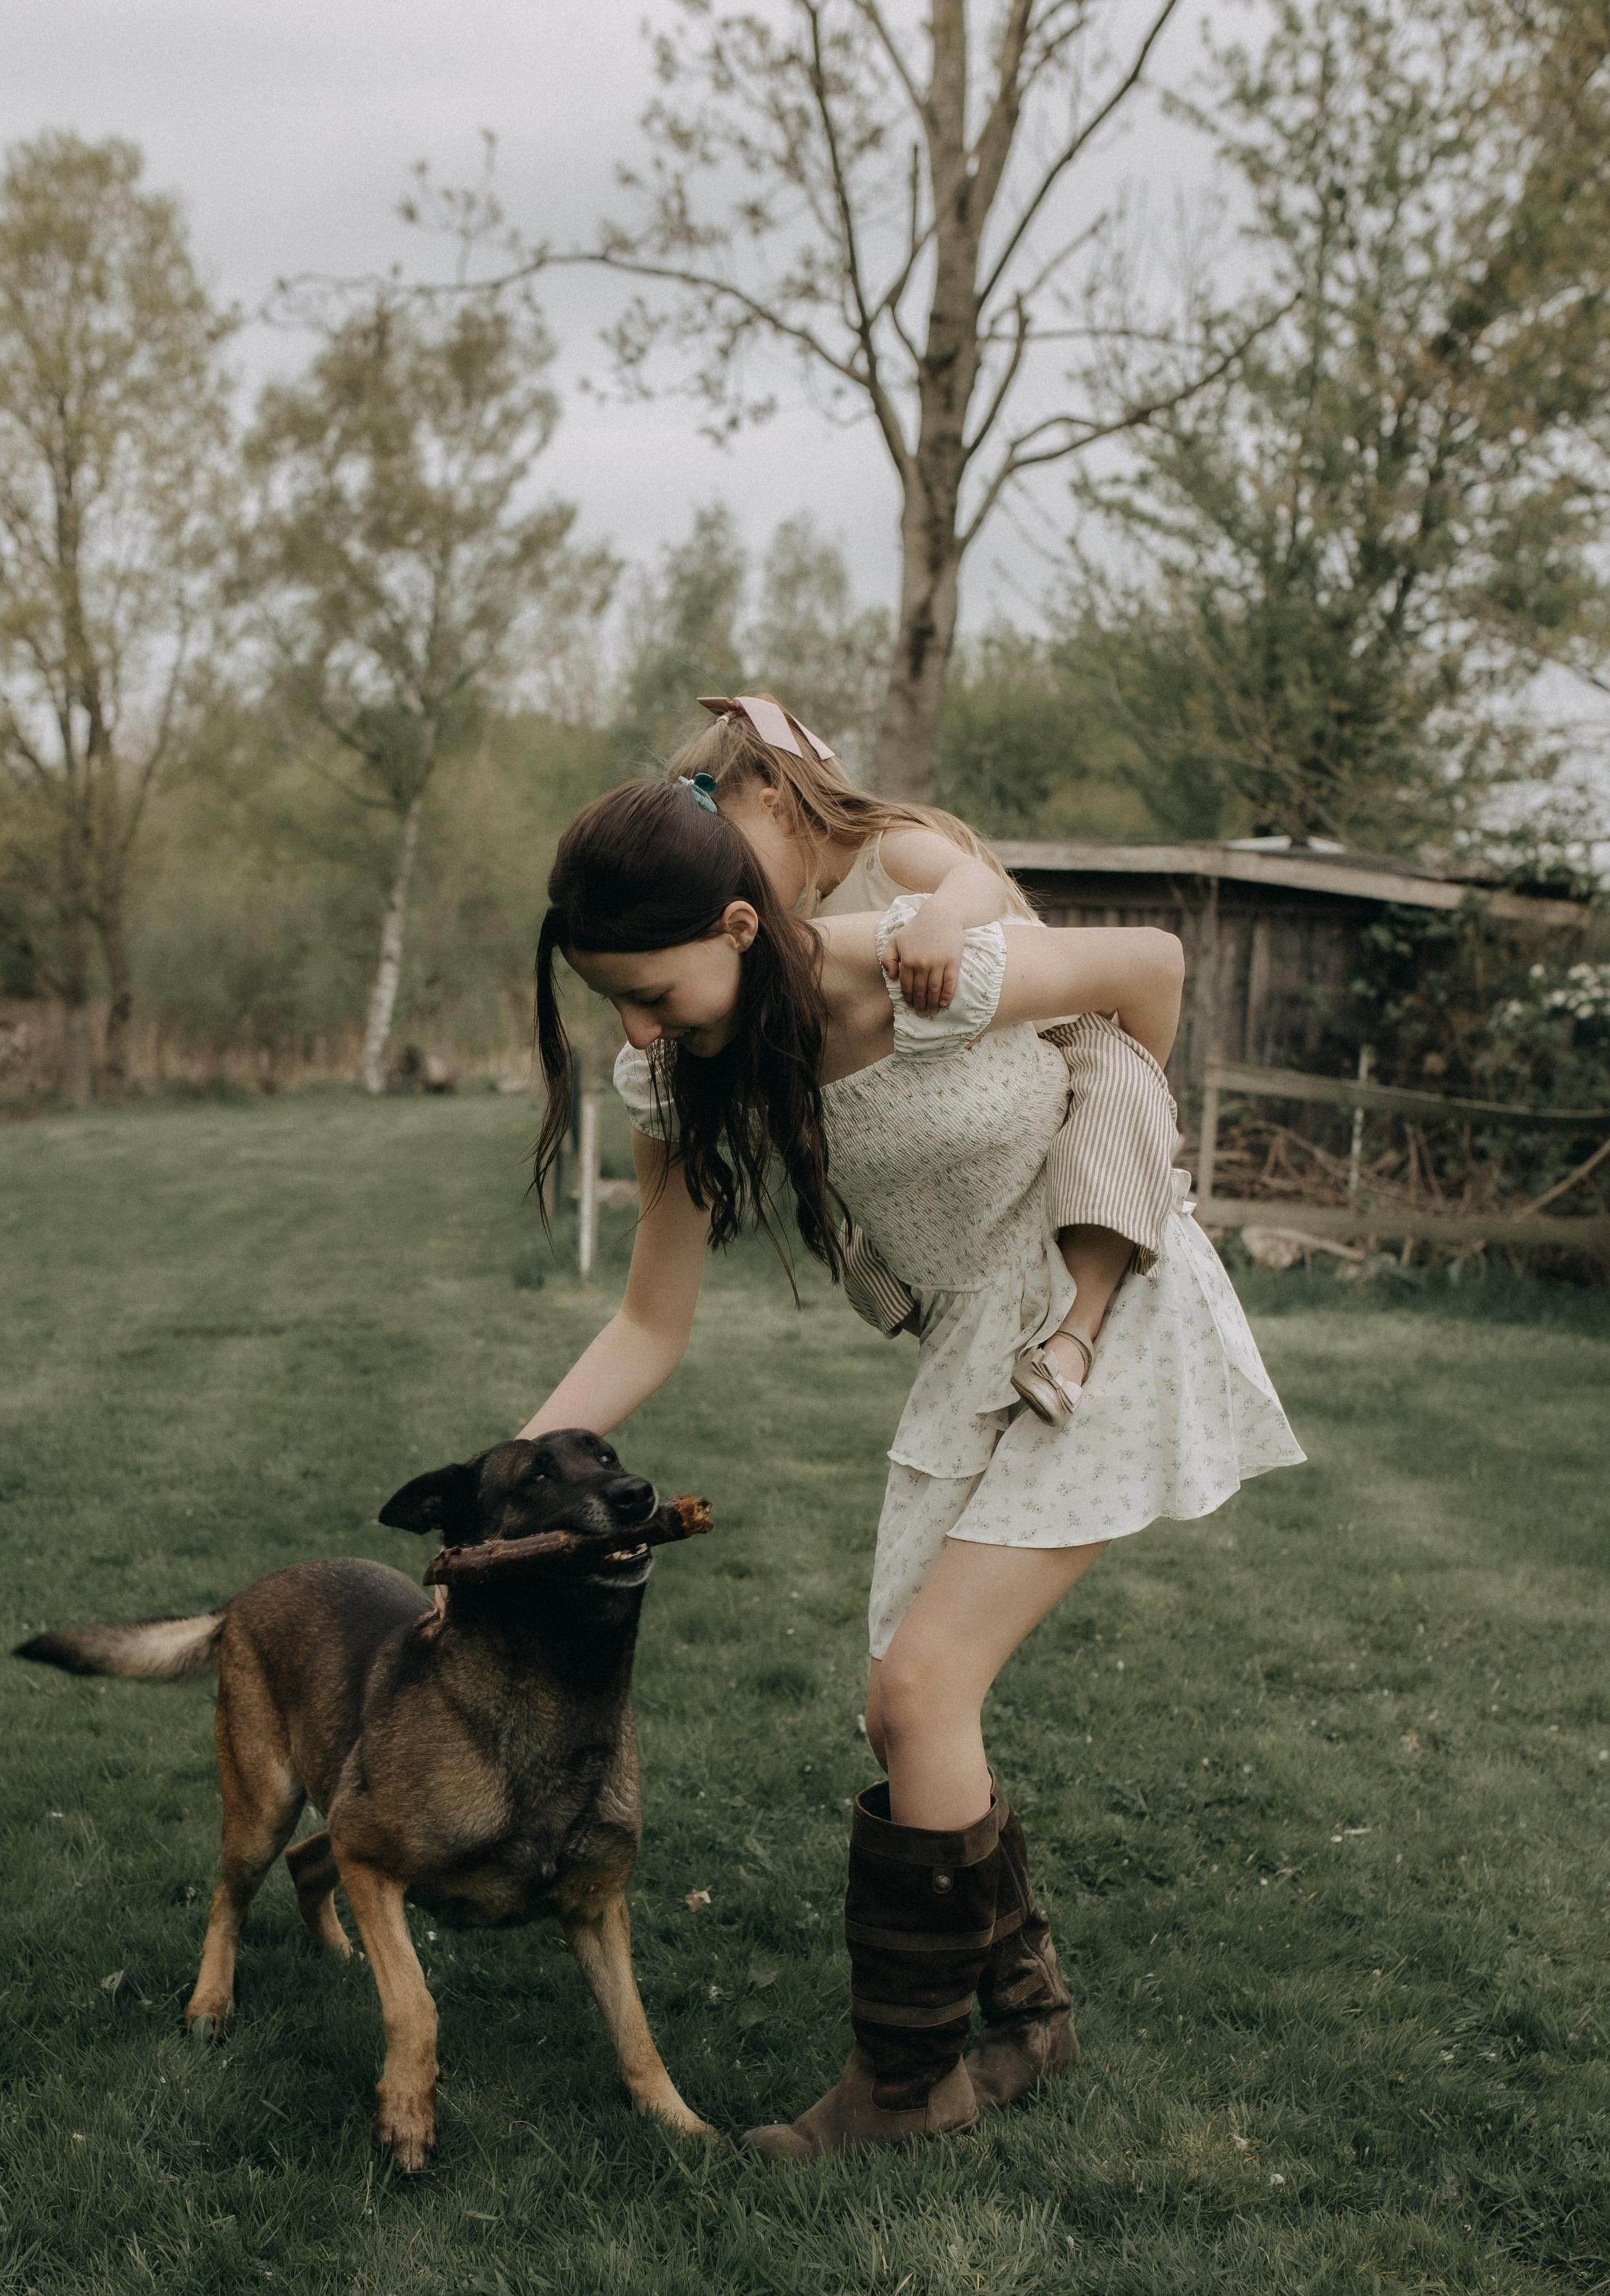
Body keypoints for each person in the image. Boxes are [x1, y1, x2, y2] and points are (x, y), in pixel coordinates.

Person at [522, 770, 1303, 2164]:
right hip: (967, 1355)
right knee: (901, 1714)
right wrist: (509, 1469)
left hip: (1104, 1311)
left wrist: (1124, 1152)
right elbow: (649, 1322)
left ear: (746, 930)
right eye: (613, 1003)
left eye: (654, 991)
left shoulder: (917, 974)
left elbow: (1152, 969)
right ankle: (1027, 2014)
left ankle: (908, 2079)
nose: (637, 1029)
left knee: (923, 1684)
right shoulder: (680, 1074)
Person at [671, 694, 1182, 1424]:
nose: (733, 888)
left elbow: (972, 880)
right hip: (962, 1096)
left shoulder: (888, 842)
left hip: (1060, 1037)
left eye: (735, 859)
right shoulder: (804, 923)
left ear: (776, 803)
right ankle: (918, 1294)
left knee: (1112, 1108)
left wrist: (941, 917)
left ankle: (1078, 1330)